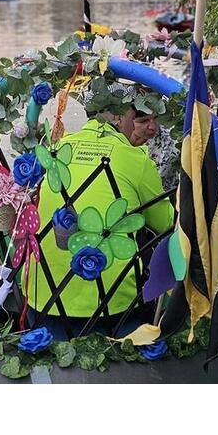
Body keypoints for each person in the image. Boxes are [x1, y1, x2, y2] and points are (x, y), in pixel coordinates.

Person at [30, 104, 174, 335]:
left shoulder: (59, 146)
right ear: (119, 116)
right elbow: (166, 222)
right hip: (113, 308)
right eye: (133, 115)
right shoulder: (134, 157)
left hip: (43, 299)